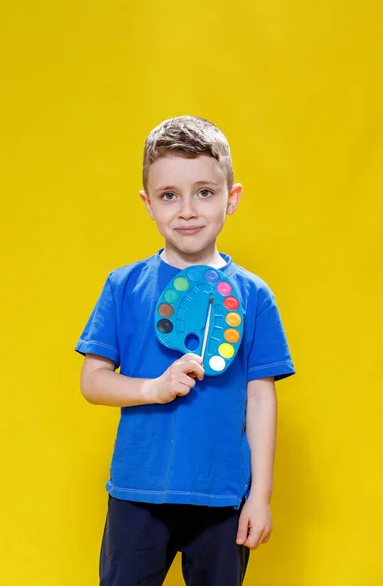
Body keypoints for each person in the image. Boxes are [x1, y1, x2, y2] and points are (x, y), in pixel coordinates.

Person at [75, 115, 295, 586]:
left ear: (231, 198)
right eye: (169, 195)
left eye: (205, 192)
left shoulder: (253, 297)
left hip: (221, 497)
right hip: (137, 493)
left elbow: (260, 398)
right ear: (148, 204)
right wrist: (153, 388)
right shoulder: (124, 285)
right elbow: (92, 383)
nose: (188, 210)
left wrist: (260, 496)